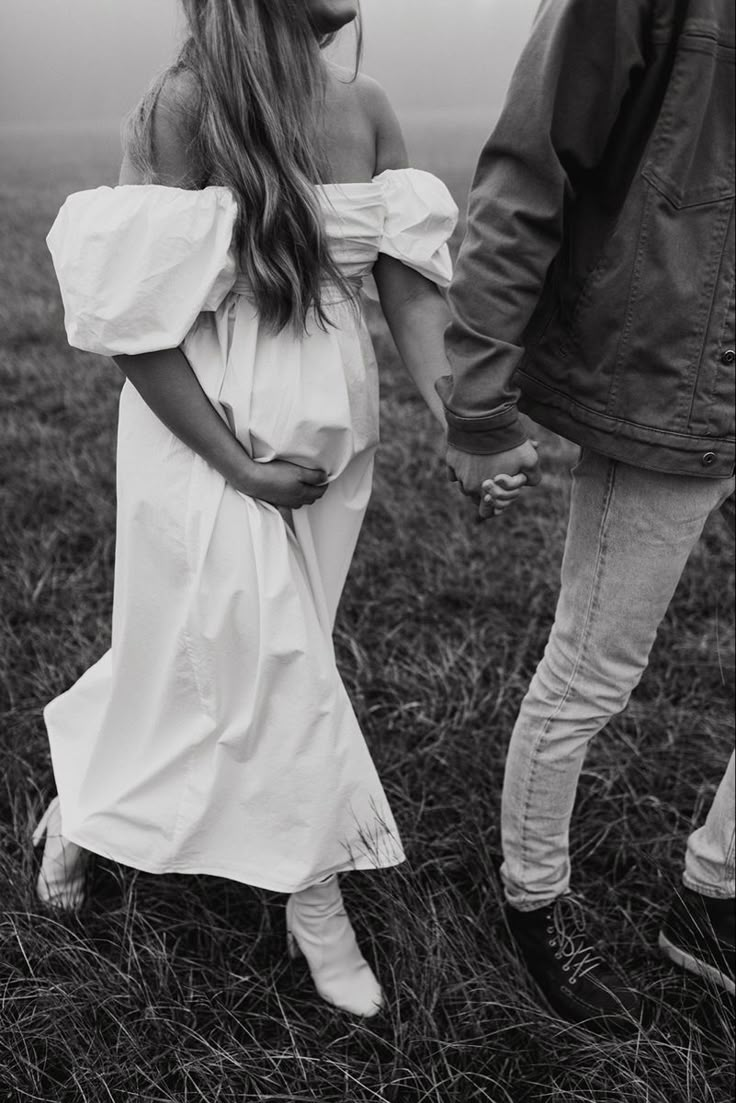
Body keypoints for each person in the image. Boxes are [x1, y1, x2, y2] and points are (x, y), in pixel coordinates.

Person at [35, 0, 460, 1019]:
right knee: (278, 663)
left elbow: (404, 284)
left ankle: (82, 807)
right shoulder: (184, 109)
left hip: (329, 448)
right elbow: (139, 332)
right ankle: (316, 905)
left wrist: (458, 417)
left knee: (219, 656)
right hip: (206, 445)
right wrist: (240, 466)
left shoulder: (365, 108)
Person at [440, 0, 735, 1030]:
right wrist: (476, 405)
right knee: (595, 665)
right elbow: (528, 165)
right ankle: (533, 901)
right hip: (667, 371)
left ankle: (713, 898)